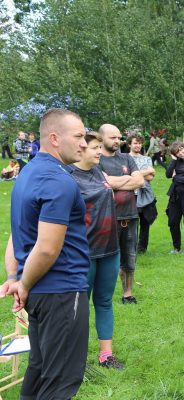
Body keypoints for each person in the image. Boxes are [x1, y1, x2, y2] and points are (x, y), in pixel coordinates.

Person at [1, 108, 90, 398]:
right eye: (78, 136)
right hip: (61, 291)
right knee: (60, 381)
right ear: (54, 138)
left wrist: (15, 277)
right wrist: (23, 284)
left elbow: (17, 232)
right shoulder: (57, 180)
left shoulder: (28, 172)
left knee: (39, 370)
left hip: (40, 293)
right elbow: (47, 247)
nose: (84, 144)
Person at [70, 131, 125, 369]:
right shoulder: (68, 176)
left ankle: (106, 355)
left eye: (100, 147)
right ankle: (76, 360)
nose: (100, 152)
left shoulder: (98, 172)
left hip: (110, 249)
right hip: (84, 252)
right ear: (81, 148)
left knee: (104, 301)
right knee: (80, 308)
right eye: (95, 148)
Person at [99, 124, 144, 304]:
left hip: (130, 216)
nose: (117, 141)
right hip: (106, 218)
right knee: (106, 259)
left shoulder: (126, 158)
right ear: (101, 138)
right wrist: (127, 178)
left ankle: (128, 294)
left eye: (119, 137)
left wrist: (114, 183)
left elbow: (139, 181)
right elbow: (103, 183)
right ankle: (103, 294)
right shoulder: (96, 159)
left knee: (129, 258)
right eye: (113, 137)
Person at [128, 134, 158, 254]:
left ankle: (142, 249)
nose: (138, 145)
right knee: (132, 223)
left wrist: (136, 174)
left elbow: (150, 177)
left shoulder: (146, 159)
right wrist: (147, 171)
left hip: (145, 194)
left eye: (139, 143)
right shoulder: (125, 159)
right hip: (131, 194)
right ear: (129, 144)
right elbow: (127, 177)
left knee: (145, 222)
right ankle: (131, 247)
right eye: (135, 143)